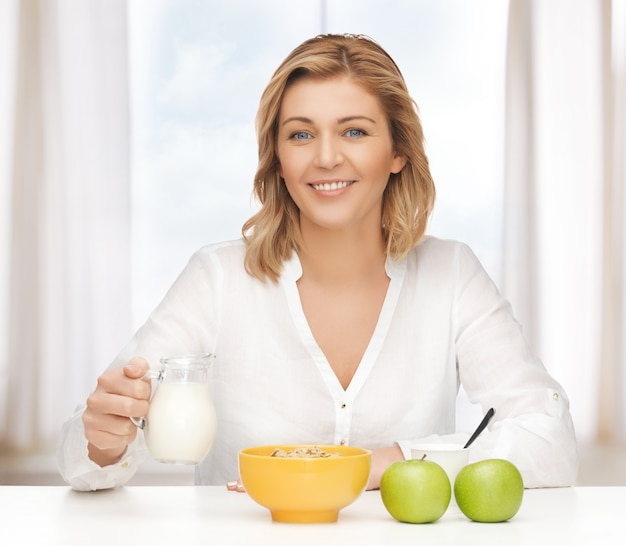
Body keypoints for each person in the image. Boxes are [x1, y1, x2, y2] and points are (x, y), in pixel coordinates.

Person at [57, 33, 578, 492]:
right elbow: (81, 458)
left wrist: (385, 463)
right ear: (279, 162)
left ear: (397, 152)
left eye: (354, 131)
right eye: (301, 134)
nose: (326, 157)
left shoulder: (451, 274)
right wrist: (105, 441)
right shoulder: (216, 278)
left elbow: (549, 438)